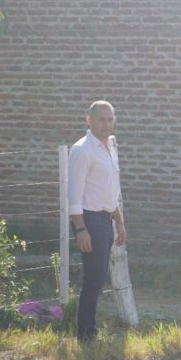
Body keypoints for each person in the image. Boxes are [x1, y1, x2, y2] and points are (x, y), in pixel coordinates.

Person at [67, 101, 126, 343]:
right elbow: (73, 194)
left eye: (110, 119)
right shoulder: (82, 150)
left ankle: (89, 330)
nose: (107, 124)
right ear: (88, 120)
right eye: (101, 119)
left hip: (106, 219)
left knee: (99, 278)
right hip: (90, 220)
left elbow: (113, 189)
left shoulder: (110, 146)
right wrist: (80, 228)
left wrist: (120, 221)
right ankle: (85, 334)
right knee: (94, 279)